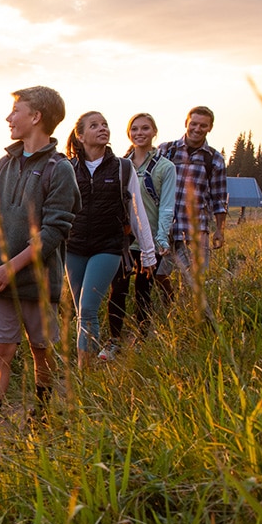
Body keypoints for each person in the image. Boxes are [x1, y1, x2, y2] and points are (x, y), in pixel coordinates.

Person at [0, 86, 80, 443]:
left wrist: (10, 268)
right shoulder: (5, 164)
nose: (8, 117)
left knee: (41, 350)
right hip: (1, 284)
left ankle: (42, 411)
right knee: (0, 352)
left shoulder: (60, 169)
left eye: (15, 110)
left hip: (37, 284)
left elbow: (54, 232)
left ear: (36, 117)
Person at [63, 111, 156, 369]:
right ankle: (87, 361)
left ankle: (85, 372)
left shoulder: (123, 168)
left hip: (108, 247)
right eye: (94, 126)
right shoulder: (68, 168)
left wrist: (148, 254)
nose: (102, 128)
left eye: (105, 124)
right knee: (80, 310)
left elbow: (137, 213)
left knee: (89, 307)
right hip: (74, 247)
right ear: (80, 136)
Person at [104, 113, 175, 354]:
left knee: (144, 291)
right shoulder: (119, 165)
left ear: (154, 132)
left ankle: (142, 338)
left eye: (145, 128)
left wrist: (161, 239)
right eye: (134, 129)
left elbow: (166, 205)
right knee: (118, 288)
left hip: (151, 239)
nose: (139, 133)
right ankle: (114, 340)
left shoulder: (165, 167)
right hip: (123, 239)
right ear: (128, 133)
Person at [157, 105, 228, 292]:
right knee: (158, 276)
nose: (197, 129)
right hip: (164, 228)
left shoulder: (214, 159)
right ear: (186, 123)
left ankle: (189, 315)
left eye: (203, 125)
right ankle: (168, 307)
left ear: (210, 128)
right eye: (194, 124)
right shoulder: (166, 150)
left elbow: (219, 199)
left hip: (196, 230)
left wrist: (220, 231)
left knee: (195, 280)